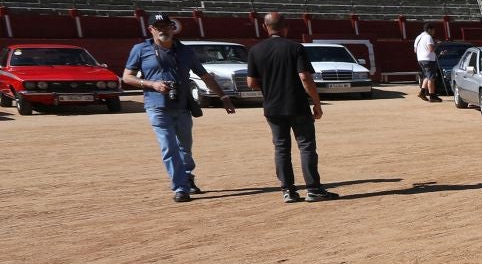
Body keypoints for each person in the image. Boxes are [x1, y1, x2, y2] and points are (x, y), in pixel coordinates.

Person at [123, 13, 234, 202]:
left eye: (166, 26)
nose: (163, 30)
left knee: (185, 147)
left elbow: (205, 76)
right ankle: (180, 188)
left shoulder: (185, 51)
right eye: (158, 27)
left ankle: (187, 177)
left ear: (172, 28)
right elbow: (127, 77)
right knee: (169, 147)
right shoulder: (140, 49)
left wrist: (224, 97)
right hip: (157, 106)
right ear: (151, 30)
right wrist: (152, 85)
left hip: (183, 105)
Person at [246, 12, 335, 203]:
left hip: (272, 106)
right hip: (296, 104)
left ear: (264, 27)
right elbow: (305, 77)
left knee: (281, 148)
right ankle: (313, 189)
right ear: (286, 27)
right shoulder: (295, 47)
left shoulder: (256, 50)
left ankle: (288, 190)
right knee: (306, 146)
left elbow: (251, 82)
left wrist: (269, 86)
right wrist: (317, 104)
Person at [412, 25, 439, 101]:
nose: (434, 32)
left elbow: (415, 50)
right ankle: (432, 96)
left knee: (427, 76)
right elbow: (431, 49)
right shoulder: (428, 37)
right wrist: (437, 44)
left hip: (420, 59)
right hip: (428, 59)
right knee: (431, 78)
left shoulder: (418, 37)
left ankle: (422, 92)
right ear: (429, 30)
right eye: (433, 30)